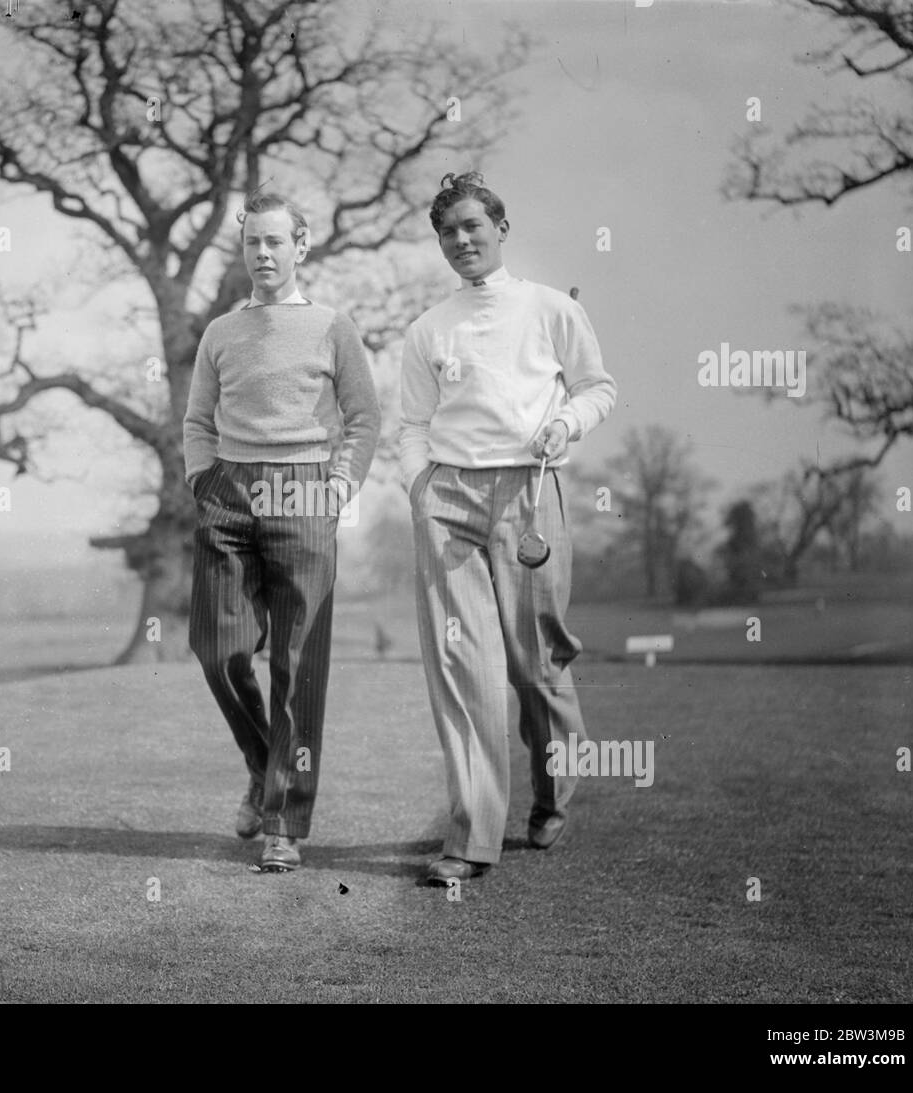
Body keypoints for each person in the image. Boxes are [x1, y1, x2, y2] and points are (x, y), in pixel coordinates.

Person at [399, 172, 617, 885]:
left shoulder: (552, 309)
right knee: (465, 670)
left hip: (529, 493)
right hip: (448, 501)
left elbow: (597, 388)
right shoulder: (428, 329)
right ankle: (471, 839)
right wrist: (419, 486)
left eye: (472, 225)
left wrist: (567, 421)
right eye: (448, 232)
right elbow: (412, 423)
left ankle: (553, 793)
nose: (461, 240)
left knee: (537, 665)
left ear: (500, 228)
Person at [184, 191, 380, 872]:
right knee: (217, 649)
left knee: (298, 663)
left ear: (301, 246)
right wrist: (202, 478)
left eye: (275, 242)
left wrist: (339, 486)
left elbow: (363, 418)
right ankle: (261, 759)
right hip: (228, 492)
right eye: (252, 242)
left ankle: (283, 824)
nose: (262, 254)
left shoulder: (333, 327)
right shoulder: (219, 332)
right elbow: (197, 420)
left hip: (305, 490)